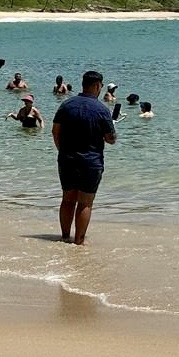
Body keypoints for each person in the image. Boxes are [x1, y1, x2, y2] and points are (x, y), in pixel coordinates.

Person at [52, 70, 117, 245]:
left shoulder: (66, 105)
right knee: (85, 203)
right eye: (101, 86)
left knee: (67, 200)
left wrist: (62, 151)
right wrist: (112, 131)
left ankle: (65, 237)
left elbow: (55, 131)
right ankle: (79, 242)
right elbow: (110, 139)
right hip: (91, 161)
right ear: (96, 86)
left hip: (67, 159)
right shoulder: (101, 109)